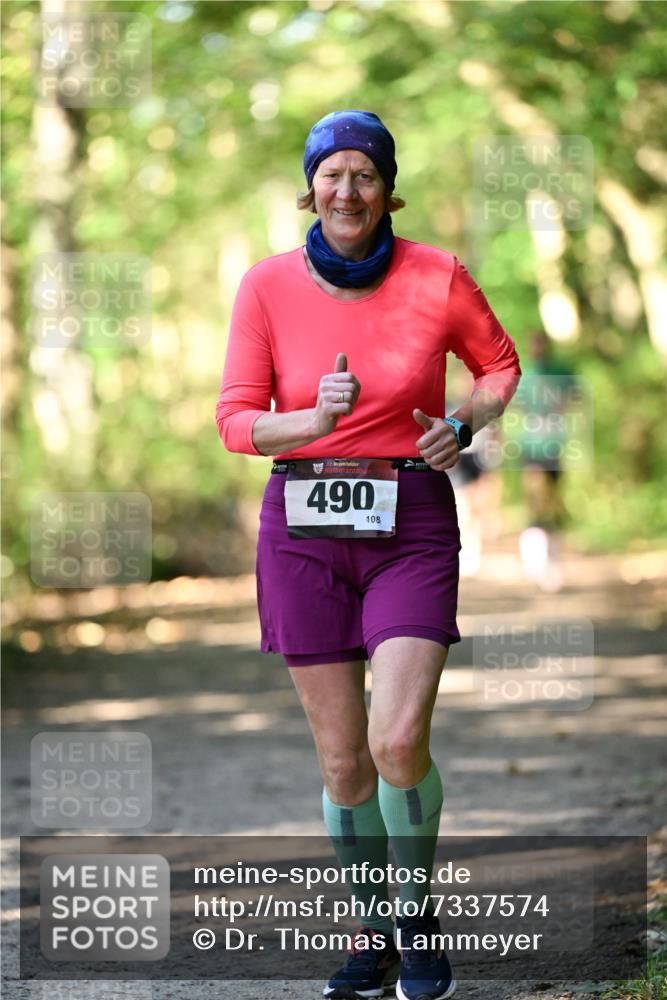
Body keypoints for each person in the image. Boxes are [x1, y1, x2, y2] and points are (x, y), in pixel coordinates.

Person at [216, 110, 521, 1000]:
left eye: (365, 175)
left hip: (408, 521)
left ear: (388, 189)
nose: (346, 192)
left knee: (395, 738)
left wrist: (462, 423)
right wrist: (310, 420)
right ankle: (370, 930)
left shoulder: (438, 274)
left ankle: (416, 921)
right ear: (309, 187)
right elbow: (234, 420)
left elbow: (498, 367)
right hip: (301, 529)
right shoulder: (266, 286)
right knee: (345, 761)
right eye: (331, 174)